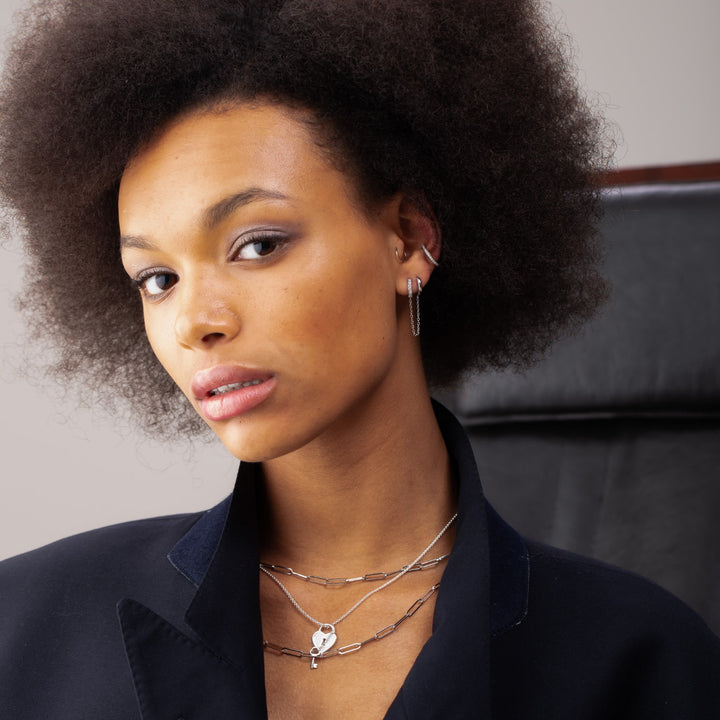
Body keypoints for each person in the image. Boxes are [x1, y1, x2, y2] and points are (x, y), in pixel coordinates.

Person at [0, 0, 718, 718]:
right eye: (158, 279)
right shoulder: (24, 627)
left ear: (408, 240)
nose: (195, 322)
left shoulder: (642, 661)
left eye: (258, 245)